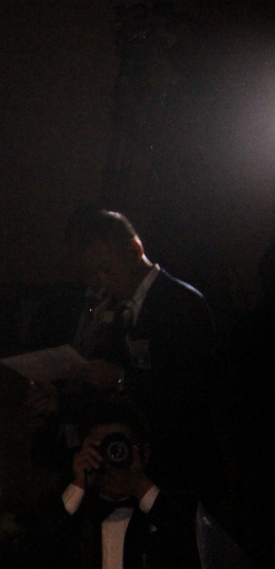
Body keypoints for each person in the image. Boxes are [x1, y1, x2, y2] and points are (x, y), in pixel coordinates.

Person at [62, 208, 217, 499]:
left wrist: (121, 379)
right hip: (132, 470)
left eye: (106, 268)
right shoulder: (115, 310)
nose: (101, 281)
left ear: (134, 250)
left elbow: (194, 389)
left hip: (180, 467)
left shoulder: (182, 303)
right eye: (92, 275)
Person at [25, 397, 203, 569]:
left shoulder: (171, 511)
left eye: (120, 448)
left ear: (144, 453)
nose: (111, 457)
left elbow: (201, 555)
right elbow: (35, 561)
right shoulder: (73, 517)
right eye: (102, 449)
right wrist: (79, 483)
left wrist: (139, 484)